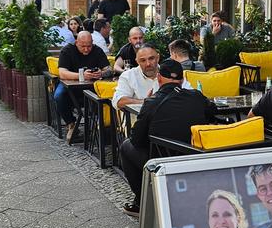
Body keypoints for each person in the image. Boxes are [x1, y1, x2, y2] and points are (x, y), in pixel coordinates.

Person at [119, 59, 216, 215]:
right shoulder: (197, 97)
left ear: (159, 78)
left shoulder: (152, 102)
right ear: (182, 79)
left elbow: (136, 139)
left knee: (125, 147)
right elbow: (213, 111)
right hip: (195, 156)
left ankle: (142, 201)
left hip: (163, 161)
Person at [56, 31, 111, 143]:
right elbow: (62, 73)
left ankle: (101, 126)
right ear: (76, 42)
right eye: (83, 46)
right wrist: (82, 75)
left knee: (104, 97)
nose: (86, 49)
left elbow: (109, 69)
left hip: (92, 87)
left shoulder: (97, 50)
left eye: (89, 46)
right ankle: (71, 124)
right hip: (69, 86)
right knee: (58, 96)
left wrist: (101, 73)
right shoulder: (67, 50)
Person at [112, 46, 160, 110]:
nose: (148, 64)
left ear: (158, 58)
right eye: (143, 60)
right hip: (138, 118)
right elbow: (119, 102)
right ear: (137, 61)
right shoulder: (128, 76)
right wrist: (146, 102)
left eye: (151, 58)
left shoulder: (169, 74)